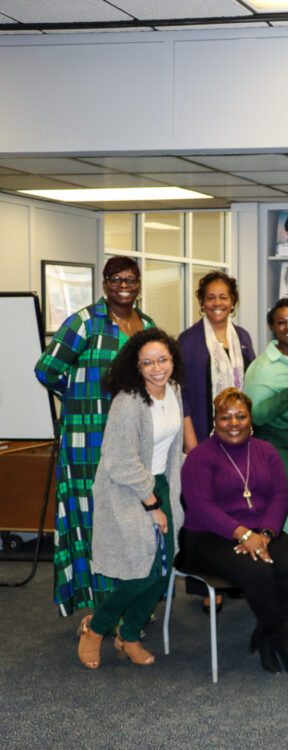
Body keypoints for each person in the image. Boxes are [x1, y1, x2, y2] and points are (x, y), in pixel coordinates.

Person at [35, 256, 157, 616]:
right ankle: (97, 606)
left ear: (138, 284)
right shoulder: (84, 323)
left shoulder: (146, 324)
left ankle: (130, 600)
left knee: (131, 517)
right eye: (117, 279)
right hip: (87, 440)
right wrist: (79, 400)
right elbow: (47, 370)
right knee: (92, 518)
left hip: (132, 436)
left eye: (131, 279)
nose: (124, 285)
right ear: (104, 284)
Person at [181, 388, 288, 674]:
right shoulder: (200, 457)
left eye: (240, 416)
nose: (234, 423)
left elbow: (279, 497)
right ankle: (281, 639)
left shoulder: (266, 451)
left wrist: (264, 534)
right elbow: (201, 506)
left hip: (260, 531)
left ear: (251, 419)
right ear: (214, 421)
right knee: (257, 570)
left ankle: (266, 632)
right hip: (208, 537)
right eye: (225, 417)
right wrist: (242, 533)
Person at [78, 329, 184, 668]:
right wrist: (152, 504)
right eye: (148, 362)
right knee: (143, 569)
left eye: (163, 360)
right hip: (127, 489)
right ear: (136, 367)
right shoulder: (129, 401)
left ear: (172, 360)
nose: (157, 368)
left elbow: (172, 447)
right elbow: (120, 460)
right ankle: (96, 628)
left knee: (164, 568)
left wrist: (168, 495)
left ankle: (130, 634)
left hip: (161, 485)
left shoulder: (174, 390)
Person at [244, 299, 288, 535]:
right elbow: (256, 415)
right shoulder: (262, 367)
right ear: (273, 328)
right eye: (281, 322)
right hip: (277, 444)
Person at [179, 271, 256, 450]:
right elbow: (181, 396)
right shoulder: (188, 340)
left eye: (223, 297)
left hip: (241, 433)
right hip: (201, 434)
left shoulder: (243, 337)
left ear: (232, 302)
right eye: (210, 298)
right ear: (202, 303)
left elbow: (252, 383)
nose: (217, 303)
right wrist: (191, 444)